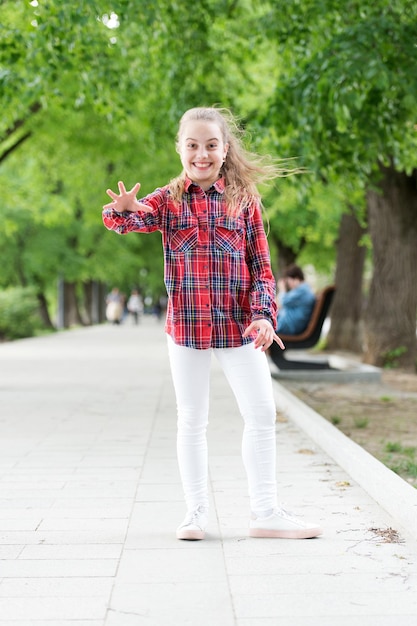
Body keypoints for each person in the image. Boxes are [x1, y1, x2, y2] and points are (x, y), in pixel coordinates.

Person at [102, 106, 322, 541]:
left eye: (211, 145)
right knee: (192, 420)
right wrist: (123, 211)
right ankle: (195, 513)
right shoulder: (168, 199)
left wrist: (262, 315)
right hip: (186, 328)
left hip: (240, 328)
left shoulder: (244, 200)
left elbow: (262, 267)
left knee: (261, 413)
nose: (201, 154)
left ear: (224, 150)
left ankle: (265, 512)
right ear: (180, 149)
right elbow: (125, 221)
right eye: (192, 145)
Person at [276, 265, 316, 335]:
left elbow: (284, 301)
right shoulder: (303, 290)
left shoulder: (302, 290)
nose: (289, 284)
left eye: (289, 281)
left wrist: (282, 289)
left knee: (262, 325)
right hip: (291, 324)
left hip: (290, 326)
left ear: (296, 279)